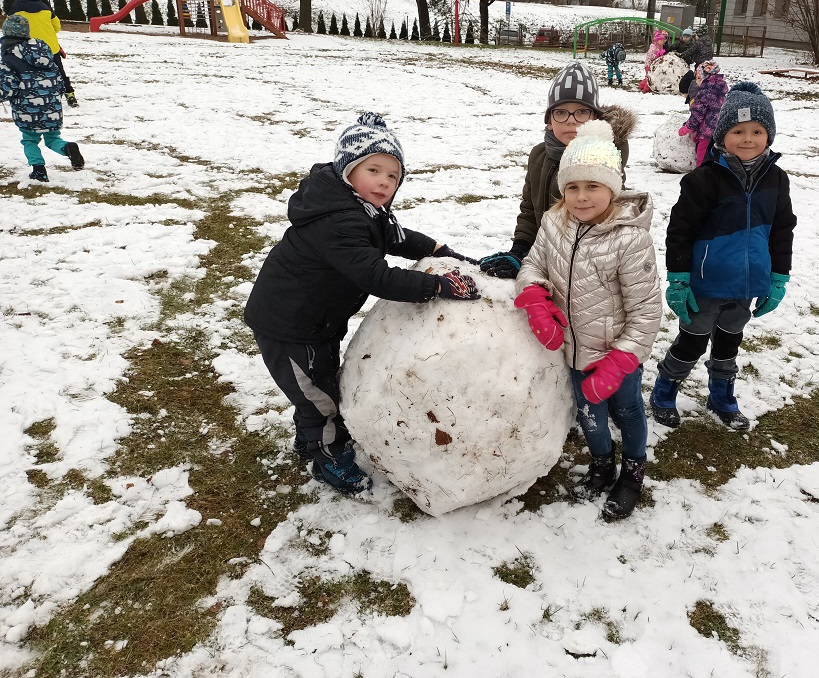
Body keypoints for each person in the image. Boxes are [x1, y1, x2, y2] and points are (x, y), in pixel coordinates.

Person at [243, 113, 481, 495]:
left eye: (393, 175)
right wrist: (436, 285)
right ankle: (329, 459)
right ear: (348, 170)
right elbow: (376, 276)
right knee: (320, 399)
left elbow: (396, 237)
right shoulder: (339, 222)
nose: (384, 181)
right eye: (374, 170)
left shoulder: (361, 208)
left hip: (315, 321)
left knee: (318, 387)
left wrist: (439, 250)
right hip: (288, 326)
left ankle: (310, 439)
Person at [514, 119, 661, 521]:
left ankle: (632, 472)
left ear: (612, 187)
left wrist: (620, 361)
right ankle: (602, 464)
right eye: (573, 186)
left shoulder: (629, 238)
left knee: (628, 411)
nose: (581, 197)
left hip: (616, 355)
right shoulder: (553, 222)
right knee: (588, 412)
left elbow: (646, 311)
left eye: (593, 186)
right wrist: (534, 296)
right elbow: (533, 264)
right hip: (572, 351)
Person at [650, 82, 796, 431]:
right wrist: (679, 277)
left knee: (729, 343)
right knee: (692, 342)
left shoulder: (776, 179)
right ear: (722, 135)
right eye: (738, 131)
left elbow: (782, 229)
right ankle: (666, 387)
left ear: (769, 135)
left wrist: (778, 277)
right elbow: (680, 230)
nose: (748, 139)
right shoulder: (703, 179)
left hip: (746, 285)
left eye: (757, 131)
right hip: (705, 283)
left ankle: (721, 395)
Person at [479, 62, 637, 278]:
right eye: (561, 112)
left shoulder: (603, 159)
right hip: (541, 259)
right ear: (549, 121)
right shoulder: (538, 155)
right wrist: (520, 250)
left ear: (594, 118)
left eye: (582, 112)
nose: (571, 121)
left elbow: (606, 221)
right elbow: (529, 210)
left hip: (585, 270)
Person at [0, 15, 84, 182]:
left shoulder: (9, 57)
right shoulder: (43, 51)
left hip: (27, 109)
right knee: (52, 139)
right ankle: (68, 148)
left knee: (29, 141)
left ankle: (39, 171)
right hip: (52, 106)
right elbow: (58, 78)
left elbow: (8, 86)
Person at [11, 0, 77, 107]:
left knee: (27, 73)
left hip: (27, 49)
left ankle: (32, 96)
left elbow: (10, 31)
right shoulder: (46, 8)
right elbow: (57, 27)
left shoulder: (14, 10)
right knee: (59, 71)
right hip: (50, 47)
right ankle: (70, 94)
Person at [678, 61, 729, 166]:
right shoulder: (720, 89)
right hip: (721, 129)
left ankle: (700, 170)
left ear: (704, 78)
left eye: (698, 78)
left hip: (708, 132)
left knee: (702, 152)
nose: (696, 81)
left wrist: (686, 128)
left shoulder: (705, 92)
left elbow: (697, 114)